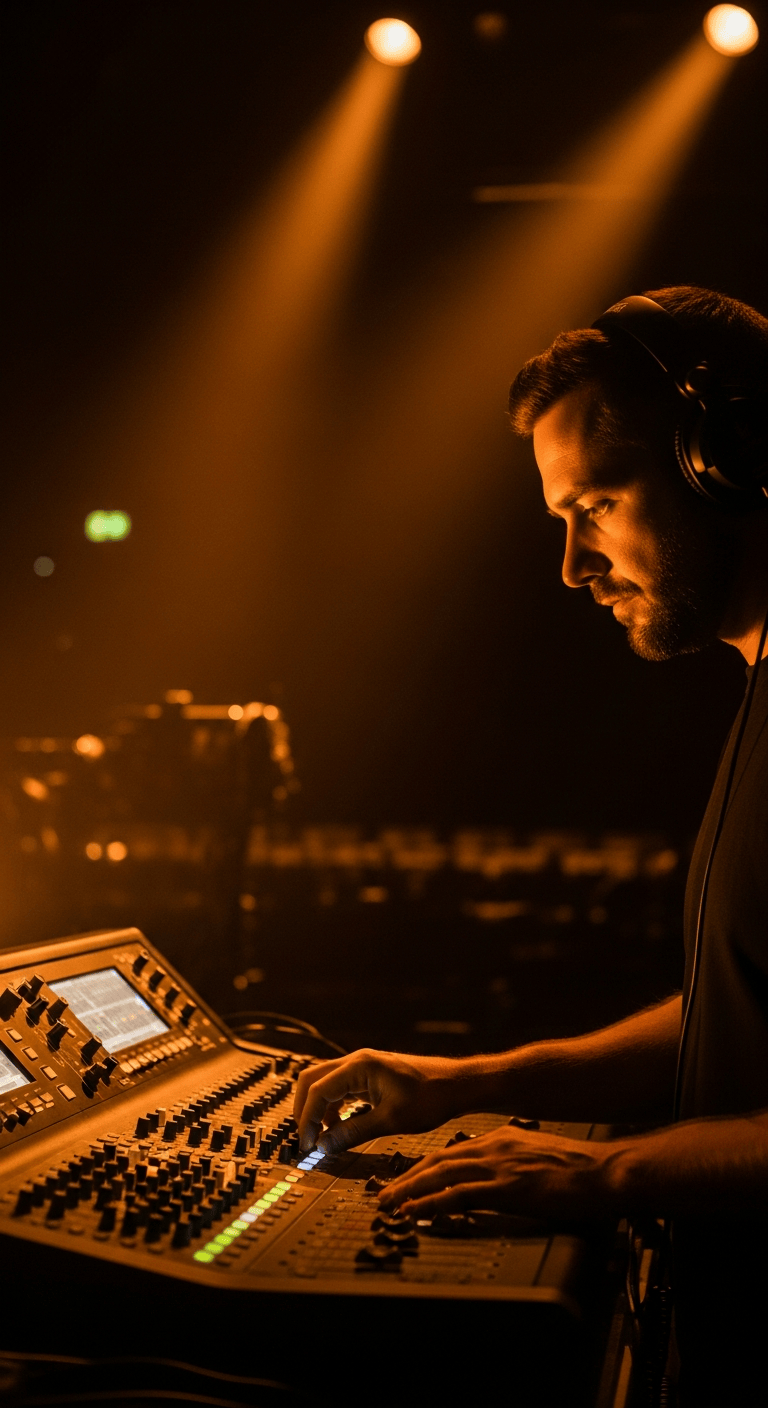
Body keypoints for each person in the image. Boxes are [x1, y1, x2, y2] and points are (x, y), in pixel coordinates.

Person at [293, 286, 768, 1406]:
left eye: (597, 504)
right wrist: (473, 1079)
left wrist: (610, 1170)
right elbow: (732, 1007)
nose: (573, 565)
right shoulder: (756, 689)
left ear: (728, 456)